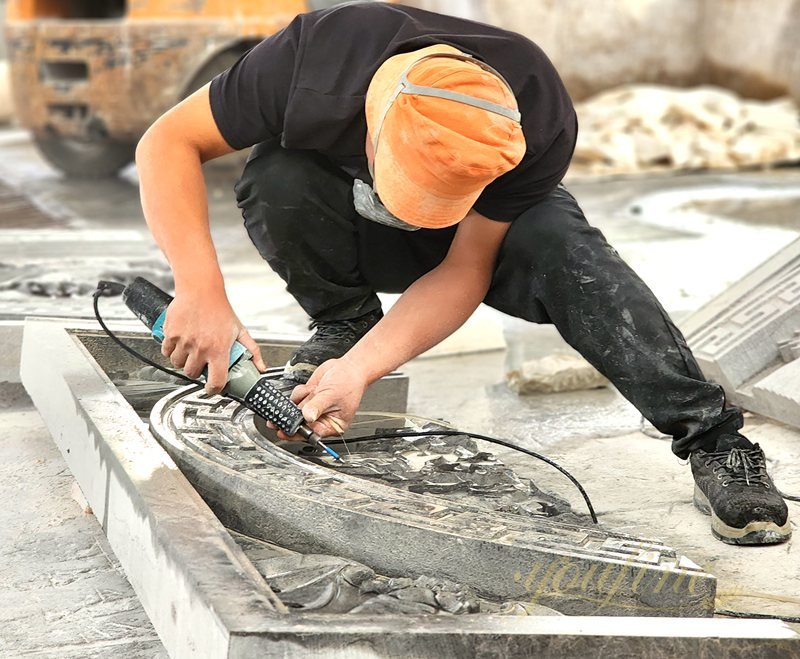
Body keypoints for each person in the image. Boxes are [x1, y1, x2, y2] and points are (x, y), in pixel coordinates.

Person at [135, 3, 790, 545]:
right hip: (351, 218)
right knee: (276, 173)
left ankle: (713, 438)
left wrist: (364, 371)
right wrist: (201, 292)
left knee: (560, 240)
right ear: (369, 123)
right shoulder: (310, 62)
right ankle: (342, 324)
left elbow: (464, 269)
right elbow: (165, 143)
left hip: (476, 239)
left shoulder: (535, 109)